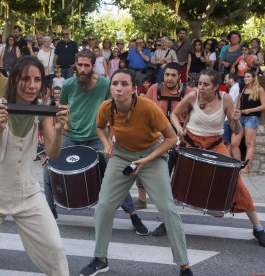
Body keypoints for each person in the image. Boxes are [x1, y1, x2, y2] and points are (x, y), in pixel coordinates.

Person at [0, 56, 69, 275]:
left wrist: (58, 132)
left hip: (28, 194)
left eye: (37, 80)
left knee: (55, 250)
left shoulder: (43, 111)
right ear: (14, 79)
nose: (31, 85)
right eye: (25, 79)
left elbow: (53, 153)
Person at [79, 69, 192, 276]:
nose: (119, 88)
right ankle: (100, 258)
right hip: (122, 155)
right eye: (115, 84)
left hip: (152, 156)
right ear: (110, 87)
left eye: (124, 84)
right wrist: (107, 144)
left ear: (134, 88)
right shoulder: (106, 107)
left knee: (167, 208)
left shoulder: (148, 107)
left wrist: (147, 159)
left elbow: (171, 139)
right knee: (103, 205)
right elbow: (99, 127)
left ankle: (184, 266)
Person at [45, 50, 148, 236]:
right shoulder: (68, 84)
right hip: (72, 136)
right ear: (75, 65)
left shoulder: (105, 84)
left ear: (93, 66)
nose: (82, 69)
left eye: (87, 65)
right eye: (80, 65)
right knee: (48, 169)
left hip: (95, 138)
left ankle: (133, 216)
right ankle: (50, 212)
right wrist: (65, 121)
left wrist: (109, 139)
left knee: (116, 173)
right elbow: (61, 107)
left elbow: (114, 111)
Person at [170, 69, 265, 248]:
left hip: (215, 144)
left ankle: (258, 228)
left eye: (206, 85)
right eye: (199, 83)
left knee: (236, 183)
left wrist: (236, 120)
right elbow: (174, 114)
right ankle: (167, 221)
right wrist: (178, 129)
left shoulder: (225, 99)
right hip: (191, 143)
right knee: (179, 182)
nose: (201, 87)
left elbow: (237, 131)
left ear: (215, 86)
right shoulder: (192, 97)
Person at [142, 62, 193, 233]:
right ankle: (166, 220)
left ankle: (170, 217)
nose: (169, 78)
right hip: (158, 140)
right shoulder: (154, 90)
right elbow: (144, 112)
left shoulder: (189, 93)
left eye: (173, 75)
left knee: (177, 182)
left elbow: (195, 115)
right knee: (161, 182)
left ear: (180, 76)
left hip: (182, 141)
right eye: (167, 75)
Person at [231, 70, 265, 173]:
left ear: (253, 78)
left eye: (248, 76)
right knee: (234, 143)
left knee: (249, 144)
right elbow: (238, 104)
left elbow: (264, 106)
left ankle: (245, 168)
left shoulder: (259, 90)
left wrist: (250, 110)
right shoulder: (243, 89)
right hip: (241, 118)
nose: (246, 78)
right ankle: (238, 165)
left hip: (252, 118)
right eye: (245, 77)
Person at [222, 73, 240, 155]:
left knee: (225, 142)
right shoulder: (234, 88)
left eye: (226, 79)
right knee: (227, 142)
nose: (224, 81)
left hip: (229, 118)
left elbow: (229, 103)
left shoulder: (235, 88)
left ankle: (225, 161)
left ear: (231, 79)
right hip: (230, 117)